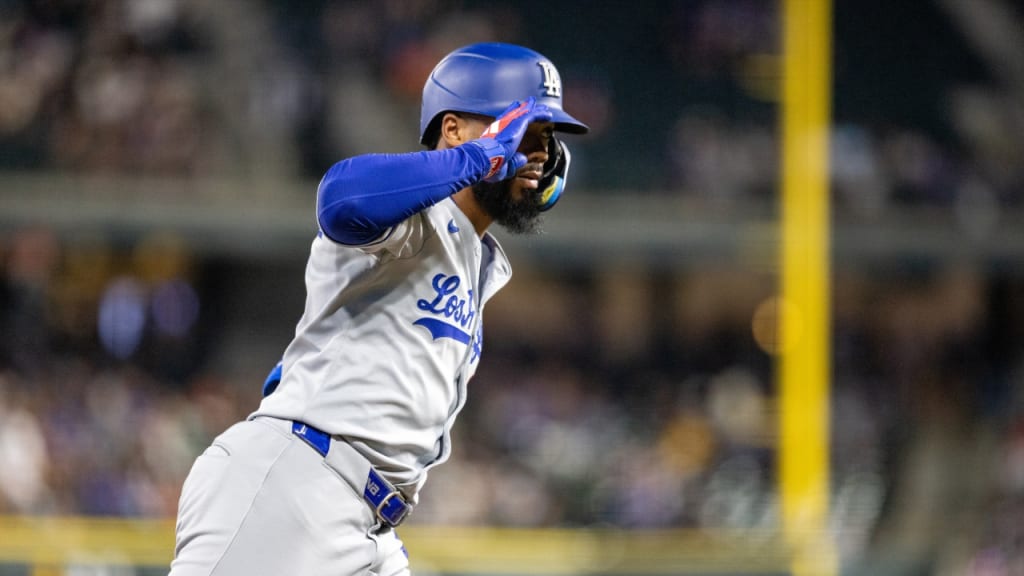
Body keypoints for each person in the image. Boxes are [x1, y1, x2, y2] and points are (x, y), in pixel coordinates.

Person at [168, 42, 588, 576]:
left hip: (366, 522)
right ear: (455, 129)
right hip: (295, 484)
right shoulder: (416, 217)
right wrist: (483, 157)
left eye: (548, 140)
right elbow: (340, 198)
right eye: (525, 132)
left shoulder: (475, 257)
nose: (541, 155)